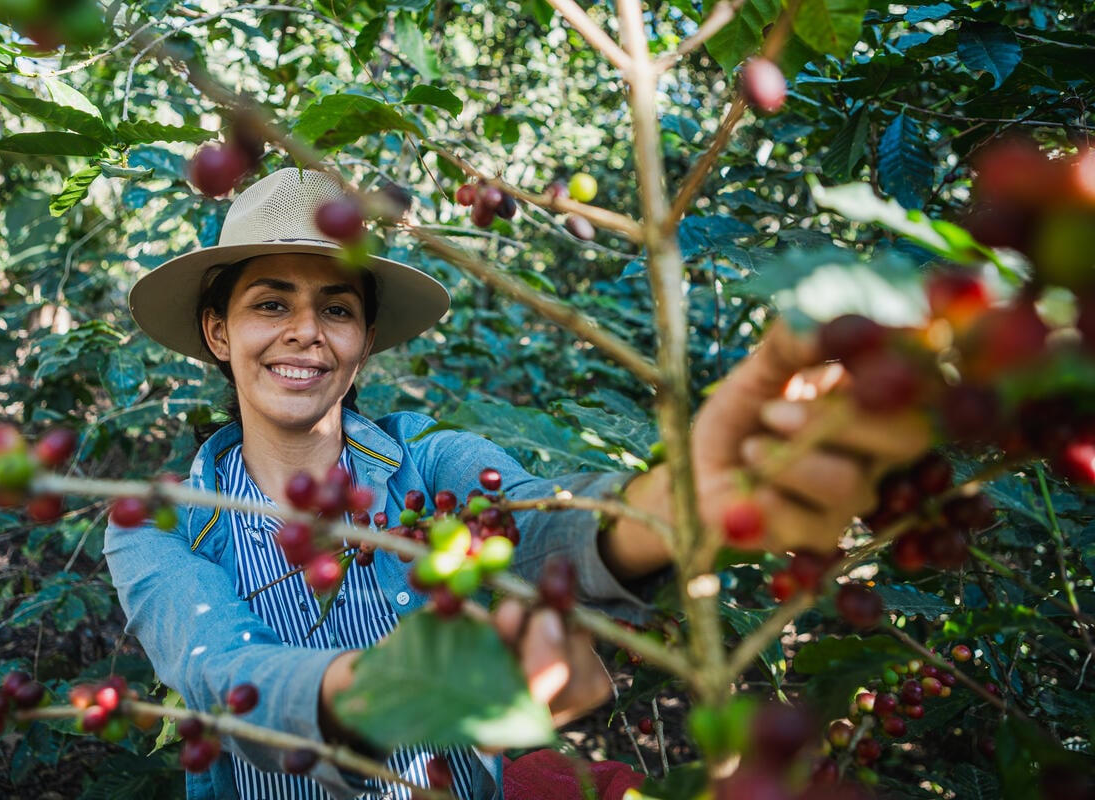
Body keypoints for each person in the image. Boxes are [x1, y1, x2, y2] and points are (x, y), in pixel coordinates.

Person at [104, 168, 929, 800]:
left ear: (365, 342)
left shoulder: (424, 464)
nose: (306, 333)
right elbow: (225, 673)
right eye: (270, 304)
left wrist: (672, 508)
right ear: (218, 332)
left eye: (338, 309)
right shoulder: (160, 526)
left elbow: (534, 524)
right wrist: (405, 688)